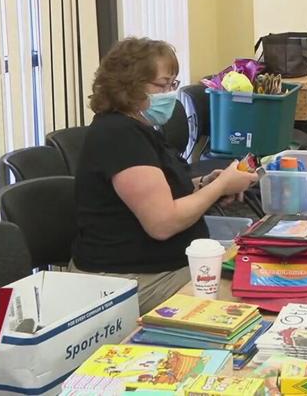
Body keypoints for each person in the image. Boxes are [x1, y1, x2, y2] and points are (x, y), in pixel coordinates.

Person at [70, 37, 257, 314]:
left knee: (253, 278)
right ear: (128, 86)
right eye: (163, 85)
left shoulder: (139, 128)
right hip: (131, 280)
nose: (170, 93)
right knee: (245, 297)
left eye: (173, 84)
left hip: (162, 267)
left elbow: (163, 189)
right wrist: (219, 189)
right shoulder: (118, 136)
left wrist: (206, 184)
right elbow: (163, 222)